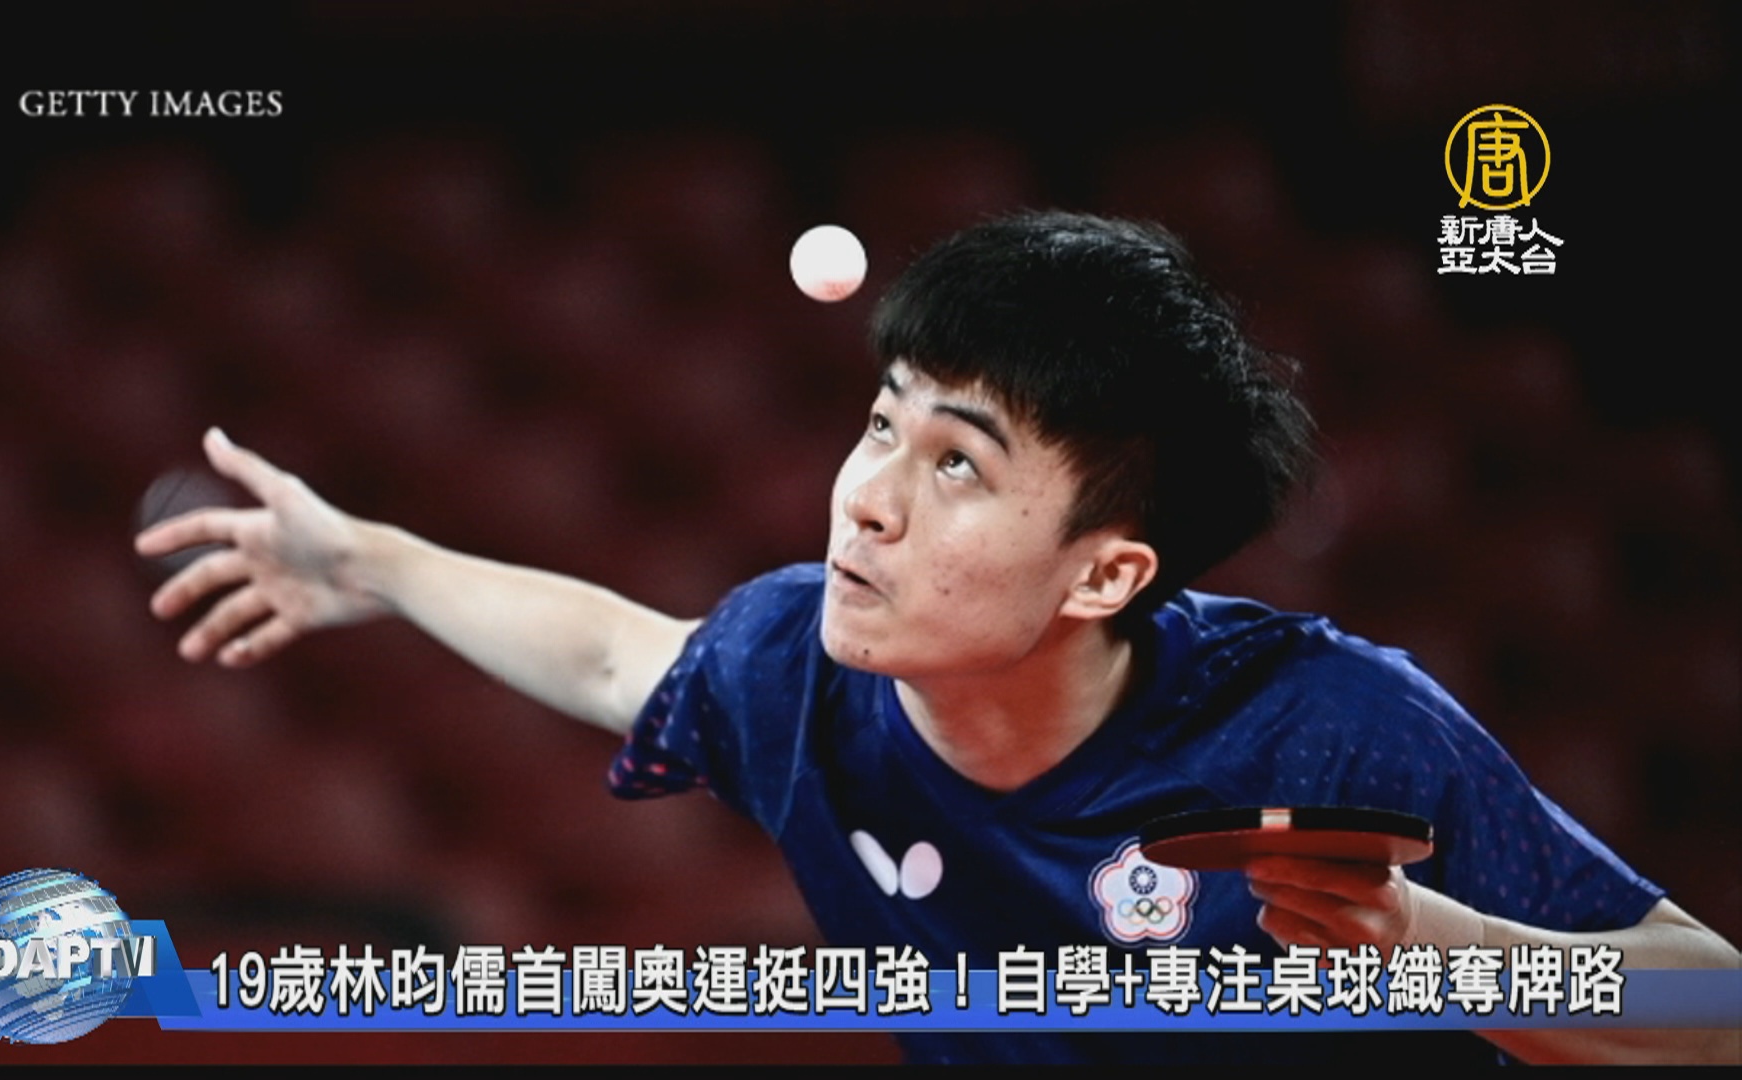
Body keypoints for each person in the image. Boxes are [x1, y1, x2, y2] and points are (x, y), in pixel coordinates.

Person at [137, 211, 1738, 1064]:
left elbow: (1710, 1010)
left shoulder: (1327, 731)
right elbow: (617, 656)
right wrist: (376, 561)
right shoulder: (799, 675)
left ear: (1105, 576)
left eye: (957, 464)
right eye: (881, 425)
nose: (867, 499)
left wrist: (1426, 948)